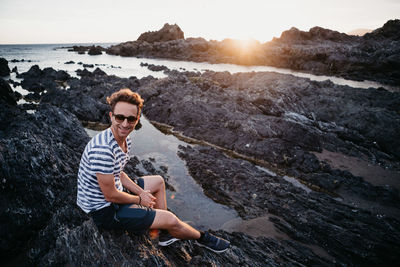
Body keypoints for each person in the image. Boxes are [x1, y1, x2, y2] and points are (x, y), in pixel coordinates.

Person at [77, 88, 230, 253]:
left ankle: (163, 231)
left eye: (131, 119)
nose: (125, 123)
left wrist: (140, 193)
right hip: (102, 210)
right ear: (111, 116)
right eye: (120, 117)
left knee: (158, 181)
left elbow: (118, 173)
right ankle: (202, 238)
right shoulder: (103, 149)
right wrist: (139, 200)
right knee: (172, 218)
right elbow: (110, 195)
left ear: (137, 119)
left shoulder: (123, 139)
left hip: (113, 194)